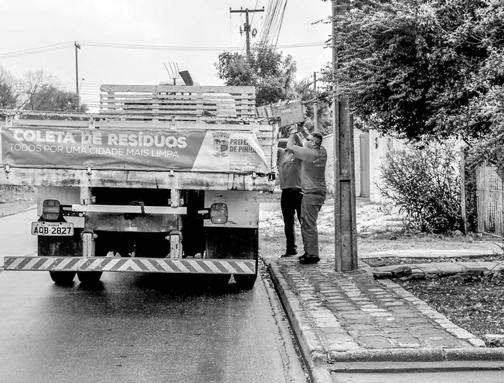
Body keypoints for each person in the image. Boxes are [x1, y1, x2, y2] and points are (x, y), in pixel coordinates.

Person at [286, 127, 327, 264]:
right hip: (319, 193)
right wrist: (302, 129)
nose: (306, 141)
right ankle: (309, 252)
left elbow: (289, 146)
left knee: (308, 224)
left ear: (314, 144)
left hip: (311, 194)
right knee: (309, 223)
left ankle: (312, 255)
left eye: (309, 140)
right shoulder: (322, 151)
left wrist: (293, 131)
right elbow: (309, 139)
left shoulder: (309, 154)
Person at [277, 136, 303, 257]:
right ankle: (291, 249)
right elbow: (272, 147)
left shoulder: (299, 155)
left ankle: (309, 250)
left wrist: (295, 132)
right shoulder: (282, 154)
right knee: (288, 223)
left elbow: (301, 145)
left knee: (304, 222)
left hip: (299, 193)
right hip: (286, 193)